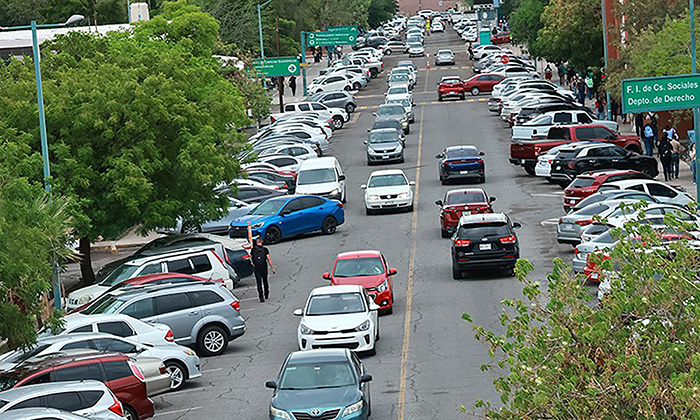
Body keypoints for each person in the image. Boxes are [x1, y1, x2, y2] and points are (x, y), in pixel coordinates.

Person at [248, 223, 276, 303]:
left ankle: (261, 297)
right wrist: (272, 268)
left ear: (256, 242)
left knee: (259, 282)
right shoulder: (265, 249)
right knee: (265, 281)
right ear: (262, 242)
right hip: (264, 267)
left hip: (257, 268)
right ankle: (266, 293)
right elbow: (268, 259)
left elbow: (250, 257)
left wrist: (253, 263)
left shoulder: (253, 250)